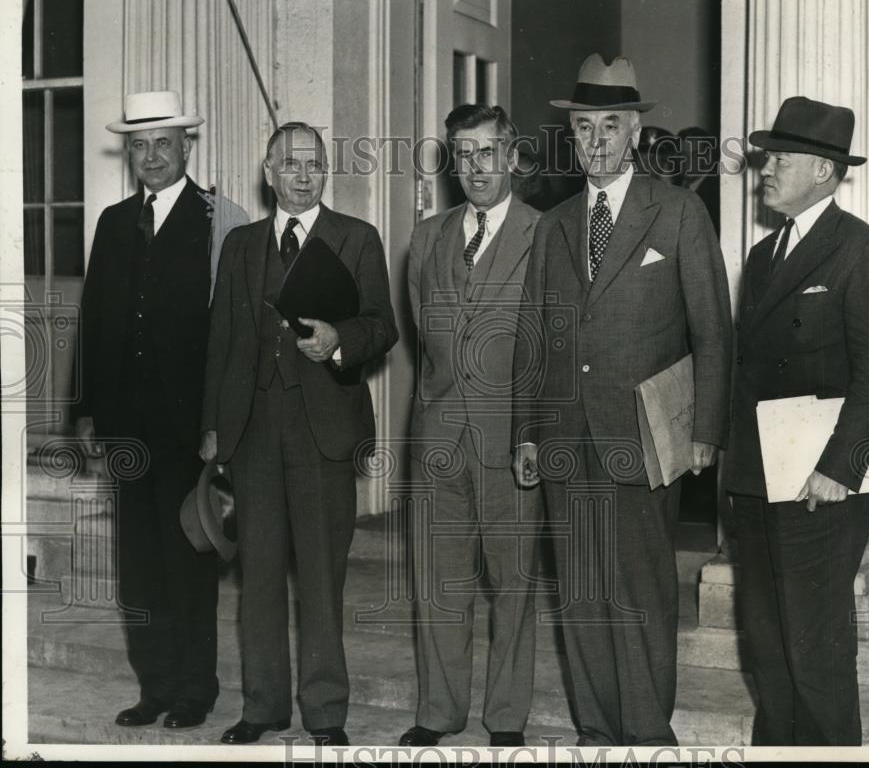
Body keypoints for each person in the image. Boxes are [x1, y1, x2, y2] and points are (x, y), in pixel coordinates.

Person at [511, 54, 732, 746]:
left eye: (612, 124)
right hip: (562, 437)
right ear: (571, 136)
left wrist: (706, 430)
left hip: (640, 434)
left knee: (638, 591)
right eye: (585, 126)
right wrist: (525, 432)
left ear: (635, 132)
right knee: (579, 594)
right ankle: (598, 731)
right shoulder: (554, 226)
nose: (598, 139)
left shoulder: (678, 212)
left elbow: (713, 330)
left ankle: (646, 734)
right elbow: (534, 338)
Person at [200, 121, 398, 745]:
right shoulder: (239, 245)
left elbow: (382, 326)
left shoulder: (357, 238)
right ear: (267, 171)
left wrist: (342, 341)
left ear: (326, 171)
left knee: (320, 576)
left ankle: (325, 712)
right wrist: (212, 428)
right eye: (290, 164)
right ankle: (262, 707)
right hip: (254, 430)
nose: (302, 174)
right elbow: (221, 344)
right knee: (257, 576)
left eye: (313, 164)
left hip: (324, 431)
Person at [725, 96, 869, 746]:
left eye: (780, 158)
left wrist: (839, 468)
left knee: (815, 653)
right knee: (768, 647)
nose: (764, 168)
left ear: (824, 172)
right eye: (766, 156)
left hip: (819, 484)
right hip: (757, 477)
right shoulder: (763, 255)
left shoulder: (860, 251)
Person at [73, 89, 248, 730]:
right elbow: (94, 321)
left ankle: (194, 689)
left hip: (188, 430)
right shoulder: (114, 223)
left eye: (163, 144)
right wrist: (88, 411)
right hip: (126, 427)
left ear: (186, 148)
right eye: (140, 146)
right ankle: (154, 687)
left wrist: (217, 425)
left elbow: (231, 335)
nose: (151, 156)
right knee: (139, 564)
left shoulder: (218, 222)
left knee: (188, 558)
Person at [400, 104, 543, 749]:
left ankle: (506, 717)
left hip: (511, 442)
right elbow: (423, 334)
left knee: (513, 586)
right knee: (438, 582)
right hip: (437, 439)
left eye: (488, 153)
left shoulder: (547, 234)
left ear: (510, 157)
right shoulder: (427, 238)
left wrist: (533, 433)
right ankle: (439, 712)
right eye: (463, 154)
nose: (476, 168)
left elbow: (551, 346)